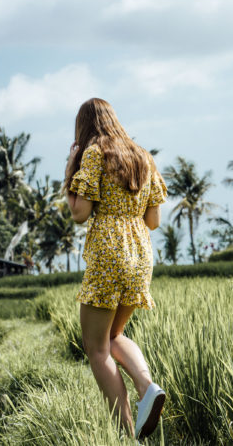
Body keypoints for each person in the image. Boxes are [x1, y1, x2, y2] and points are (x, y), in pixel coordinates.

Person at [62, 98, 167, 439]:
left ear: (85, 126)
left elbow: (79, 213)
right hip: (139, 254)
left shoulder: (93, 154)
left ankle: (127, 432)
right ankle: (147, 386)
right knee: (113, 335)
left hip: (109, 252)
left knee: (96, 348)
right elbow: (153, 221)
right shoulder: (143, 157)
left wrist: (69, 172)